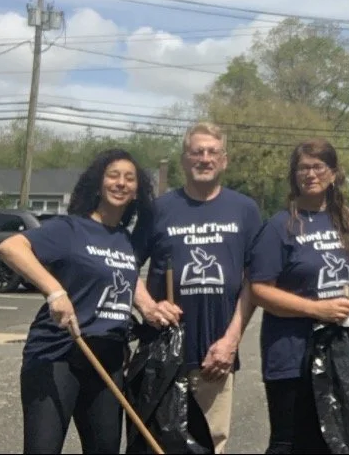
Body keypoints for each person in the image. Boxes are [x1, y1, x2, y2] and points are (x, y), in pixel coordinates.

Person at [0, 148, 153, 454]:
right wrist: (55, 291)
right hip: (59, 352)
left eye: (129, 178)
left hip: (108, 358)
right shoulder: (70, 228)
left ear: (137, 191)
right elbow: (11, 247)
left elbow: (126, 279)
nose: (121, 183)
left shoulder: (126, 240)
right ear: (98, 184)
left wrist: (149, 307)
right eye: (113, 176)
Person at [133, 121, 263, 455]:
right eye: (197, 152)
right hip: (163, 353)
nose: (204, 159)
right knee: (156, 445)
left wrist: (231, 341)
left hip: (214, 357)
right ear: (184, 160)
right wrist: (148, 306)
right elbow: (123, 264)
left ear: (224, 160)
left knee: (210, 444)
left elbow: (254, 283)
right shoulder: (159, 209)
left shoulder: (245, 210)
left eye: (212, 152)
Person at [248, 139, 349, 455]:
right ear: (294, 175)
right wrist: (317, 309)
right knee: (289, 443)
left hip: (337, 353)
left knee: (331, 442)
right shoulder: (280, 226)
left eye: (318, 167)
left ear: (334, 173)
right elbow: (260, 290)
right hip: (290, 354)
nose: (310, 174)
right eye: (303, 168)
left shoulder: (346, 223)